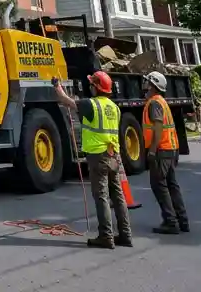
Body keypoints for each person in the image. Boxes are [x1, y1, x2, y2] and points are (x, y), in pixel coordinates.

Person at [53, 71, 132, 250]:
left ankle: (106, 236)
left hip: (98, 156)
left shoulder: (92, 104)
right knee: (118, 197)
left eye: (91, 84)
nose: (89, 87)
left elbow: (67, 101)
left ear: (96, 87)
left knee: (101, 196)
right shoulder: (114, 107)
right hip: (114, 155)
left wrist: (57, 86)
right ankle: (126, 235)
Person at [144, 71, 189, 235]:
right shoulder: (161, 102)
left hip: (161, 150)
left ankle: (171, 221)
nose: (145, 85)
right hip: (170, 148)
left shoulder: (155, 103)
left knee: (159, 186)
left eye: (147, 82)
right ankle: (182, 220)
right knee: (171, 185)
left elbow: (158, 126)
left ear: (152, 85)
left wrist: (153, 149)